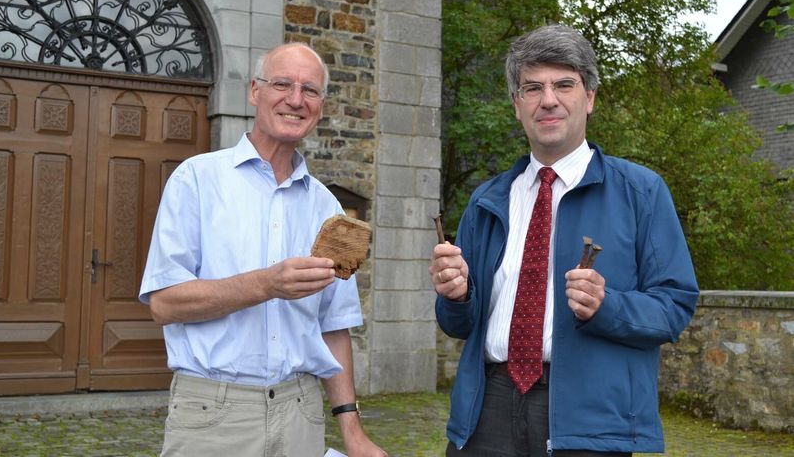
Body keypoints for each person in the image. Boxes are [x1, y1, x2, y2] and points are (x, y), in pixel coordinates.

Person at [429, 24, 699, 456]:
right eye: (532, 87)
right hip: (486, 413)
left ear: (589, 97)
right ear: (517, 106)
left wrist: (606, 307)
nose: (548, 99)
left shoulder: (641, 193)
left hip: (590, 420)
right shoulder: (488, 199)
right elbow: (457, 325)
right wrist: (456, 296)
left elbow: (674, 307)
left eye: (564, 84)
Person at [139, 42, 386, 457]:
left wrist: (352, 430)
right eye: (282, 84)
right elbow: (164, 304)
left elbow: (334, 324)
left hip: (300, 411)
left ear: (321, 106)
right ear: (255, 91)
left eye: (310, 90)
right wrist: (267, 283)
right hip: (212, 412)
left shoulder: (326, 206)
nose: (295, 100)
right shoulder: (197, 180)